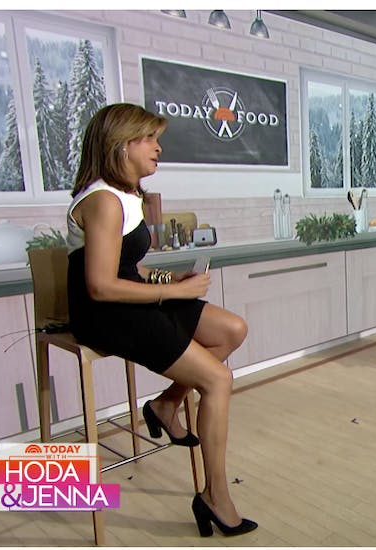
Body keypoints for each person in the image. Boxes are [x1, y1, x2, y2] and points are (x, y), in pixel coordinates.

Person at [66, 103, 256, 538]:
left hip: (128, 299)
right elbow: (99, 285)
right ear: (121, 144)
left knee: (232, 330)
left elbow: (132, 269)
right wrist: (173, 292)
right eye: (150, 139)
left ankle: (165, 405)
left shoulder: (124, 197)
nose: (158, 147)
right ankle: (215, 496)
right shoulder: (103, 202)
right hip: (106, 315)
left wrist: (175, 278)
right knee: (217, 380)